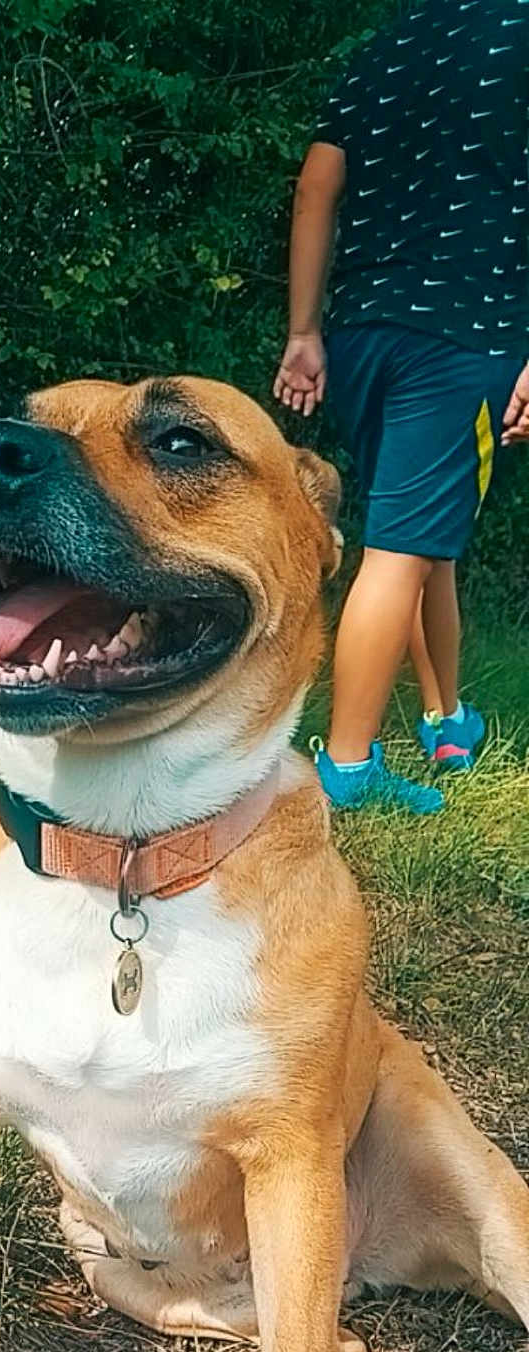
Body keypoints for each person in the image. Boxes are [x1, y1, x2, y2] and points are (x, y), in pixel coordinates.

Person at [275, 0, 529, 814]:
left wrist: (304, 331)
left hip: (361, 334)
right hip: (463, 334)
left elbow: (316, 189)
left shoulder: (384, 47)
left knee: (424, 539)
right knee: (402, 548)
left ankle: (447, 719)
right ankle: (348, 766)